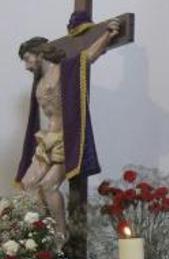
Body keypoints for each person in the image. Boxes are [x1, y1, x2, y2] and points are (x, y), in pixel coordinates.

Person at [16, 13, 120, 238]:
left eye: (27, 58)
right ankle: (41, 231)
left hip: (65, 138)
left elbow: (88, 56)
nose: (26, 66)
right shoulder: (40, 81)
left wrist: (108, 35)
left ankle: (60, 234)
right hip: (47, 139)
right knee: (27, 184)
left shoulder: (64, 70)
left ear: (40, 53)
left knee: (48, 186)